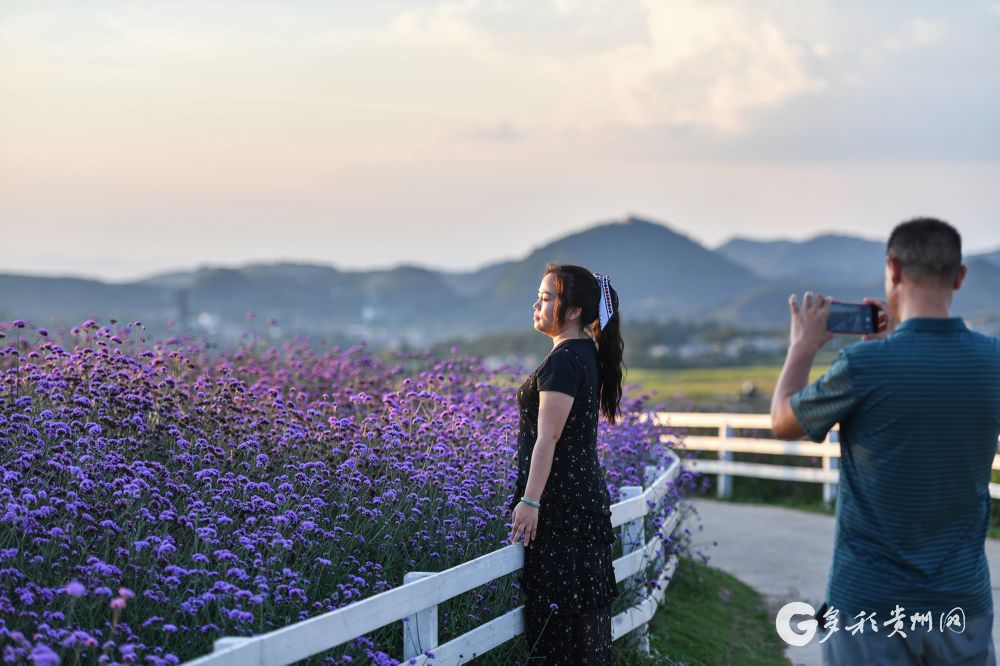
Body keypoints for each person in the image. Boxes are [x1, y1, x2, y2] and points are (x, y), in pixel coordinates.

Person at [770, 218, 1000, 665]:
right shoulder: (994, 361)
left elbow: (783, 422)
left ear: (892, 269)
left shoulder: (863, 365)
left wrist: (802, 346)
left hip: (867, 604)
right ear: (960, 276)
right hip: (960, 602)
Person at [507, 263, 625, 664]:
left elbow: (549, 438)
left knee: (556, 626)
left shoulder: (563, 361)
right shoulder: (585, 354)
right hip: (583, 501)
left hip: (559, 507)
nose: (536, 305)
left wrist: (530, 501)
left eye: (545, 298)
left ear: (572, 310)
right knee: (582, 625)